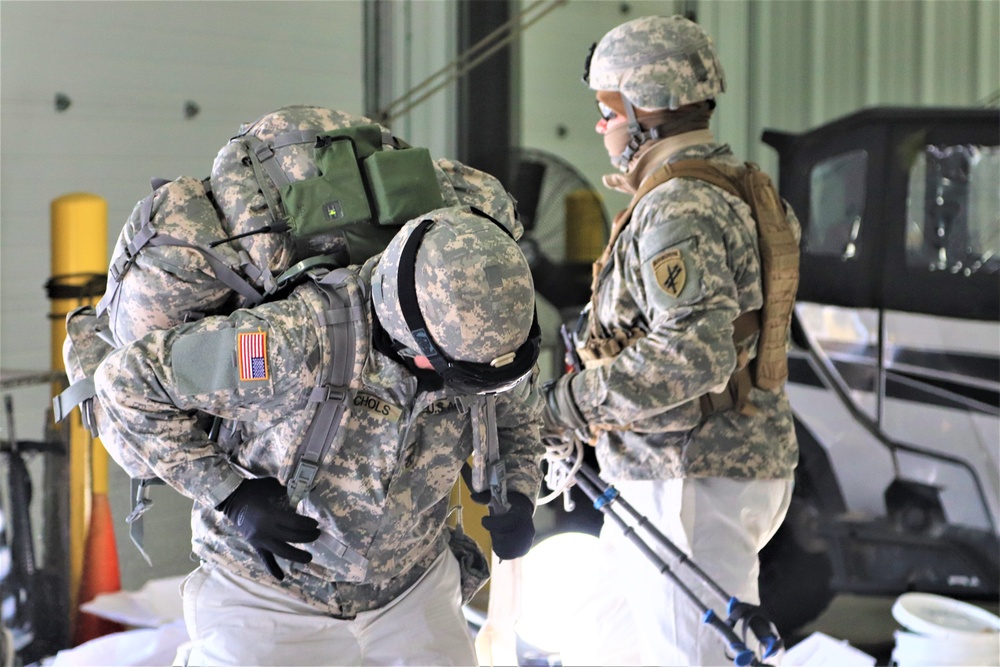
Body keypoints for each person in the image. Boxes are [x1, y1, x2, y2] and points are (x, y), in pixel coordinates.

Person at [93, 206, 544, 666]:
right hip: (271, 599)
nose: (465, 388)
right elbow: (127, 382)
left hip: (413, 589)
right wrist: (232, 495)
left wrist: (522, 492)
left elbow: (518, 416)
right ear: (410, 334)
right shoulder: (292, 341)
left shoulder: (487, 338)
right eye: (454, 373)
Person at [541, 15, 800, 666]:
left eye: (607, 108)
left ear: (645, 107)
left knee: (692, 657)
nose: (601, 125)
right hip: (684, 463)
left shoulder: (679, 206)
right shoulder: (730, 186)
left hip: (691, 476)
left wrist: (569, 404)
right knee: (603, 642)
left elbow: (696, 353)